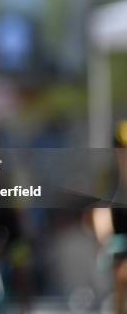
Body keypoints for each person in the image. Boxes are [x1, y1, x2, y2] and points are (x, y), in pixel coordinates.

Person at [92, 121, 127, 314]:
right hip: (120, 238)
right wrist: (106, 240)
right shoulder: (109, 178)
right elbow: (101, 211)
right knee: (122, 274)